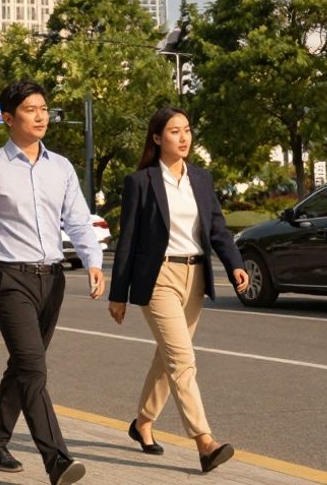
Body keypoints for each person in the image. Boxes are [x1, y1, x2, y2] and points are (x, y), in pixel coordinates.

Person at [0, 79, 104, 485]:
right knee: (34, 368)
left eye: (44, 108)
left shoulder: (62, 167)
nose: (41, 116)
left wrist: (93, 260)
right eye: (30, 110)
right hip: (10, 279)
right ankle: (57, 460)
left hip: (52, 279)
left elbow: (78, 219)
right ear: (8, 118)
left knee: (22, 366)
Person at [108, 107, 248, 474]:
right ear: (157, 138)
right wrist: (118, 293)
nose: (183, 137)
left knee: (168, 357)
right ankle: (205, 442)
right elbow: (128, 240)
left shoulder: (201, 178)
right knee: (183, 360)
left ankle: (142, 423)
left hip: (195, 276)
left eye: (186, 130)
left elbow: (217, 227)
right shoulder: (141, 182)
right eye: (174, 131)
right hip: (158, 278)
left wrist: (234, 263)